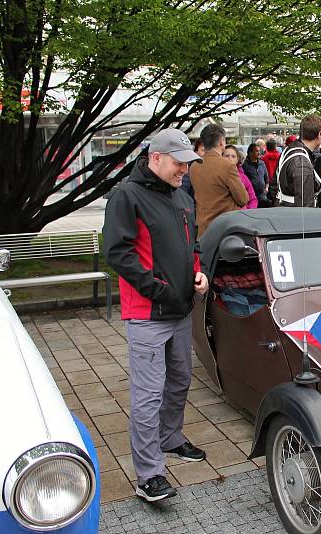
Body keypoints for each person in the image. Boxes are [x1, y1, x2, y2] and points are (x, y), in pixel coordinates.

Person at [102, 129, 209, 503]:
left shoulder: (182, 196)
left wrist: (199, 272)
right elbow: (117, 252)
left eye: (187, 163)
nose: (185, 169)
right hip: (148, 312)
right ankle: (148, 474)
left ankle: (171, 437)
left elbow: (191, 243)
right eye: (179, 162)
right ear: (156, 158)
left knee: (179, 380)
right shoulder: (126, 196)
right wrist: (157, 288)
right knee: (148, 395)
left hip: (180, 309)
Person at [188, 124, 249, 235]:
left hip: (202, 229)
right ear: (221, 141)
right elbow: (243, 199)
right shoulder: (228, 166)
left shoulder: (194, 166)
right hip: (224, 229)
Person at [277, 115, 321, 207]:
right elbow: (305, 207)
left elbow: (274, 186)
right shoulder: (301, 162)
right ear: (319, 134)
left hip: (284, 212)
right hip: (295, 218)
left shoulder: (289, 150)